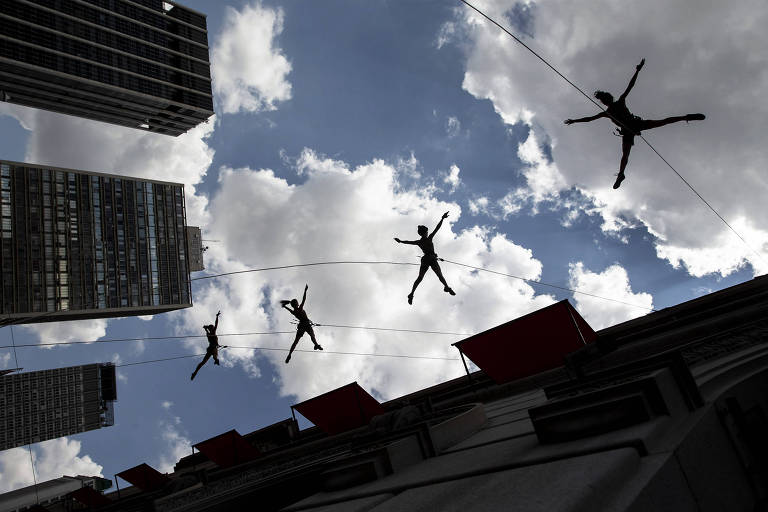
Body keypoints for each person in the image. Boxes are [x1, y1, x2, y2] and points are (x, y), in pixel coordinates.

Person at [564, 58, 705, 189]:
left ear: (605, 100)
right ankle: (621, 174)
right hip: (630, 129)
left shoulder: (614, 106)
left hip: (633, 126)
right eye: (603, 100)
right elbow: (590, 118)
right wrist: (575, 121)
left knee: (659, 125)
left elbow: (630, 85)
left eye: (603, 100)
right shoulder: (611, 108)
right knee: (628, 151)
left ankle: (685, 117)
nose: (604, 102)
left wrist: (637, 70)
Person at [394, 211, 456, 305]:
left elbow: (408, 242)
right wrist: (442, 218)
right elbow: (437, 228)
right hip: (431, 259)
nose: (428, 232)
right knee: (439, 275)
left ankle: (412, 294)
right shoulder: (429, 238)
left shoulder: (419, 242)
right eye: (427, 231)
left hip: (427, 259)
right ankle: (446, 287)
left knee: (420, 278)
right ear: (425, 232)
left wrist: (401, 241)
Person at [281, 284, 322, 364]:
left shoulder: (294, 311)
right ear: (297, 304)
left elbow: (289, 310)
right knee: (312, 336)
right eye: (297, 303)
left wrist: (285, 306)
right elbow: (304, 299)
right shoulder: (300, 308)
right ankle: (316, 345)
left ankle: (289, 354)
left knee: (296, 341)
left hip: (302, 326)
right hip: (306, 324)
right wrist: (305, 291)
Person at [191, 310, 221, 381]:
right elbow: (216, 324)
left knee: (203, 362)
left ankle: (195, 372)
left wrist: (206, 329)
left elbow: (214, 325)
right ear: (212, 328)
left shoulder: (209, 333)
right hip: (213, 348)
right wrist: (217, 317)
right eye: (213, 327)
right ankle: (216, 360)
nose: (214, 328)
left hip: (211, 348)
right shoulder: (212, 332)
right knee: (214, 356)